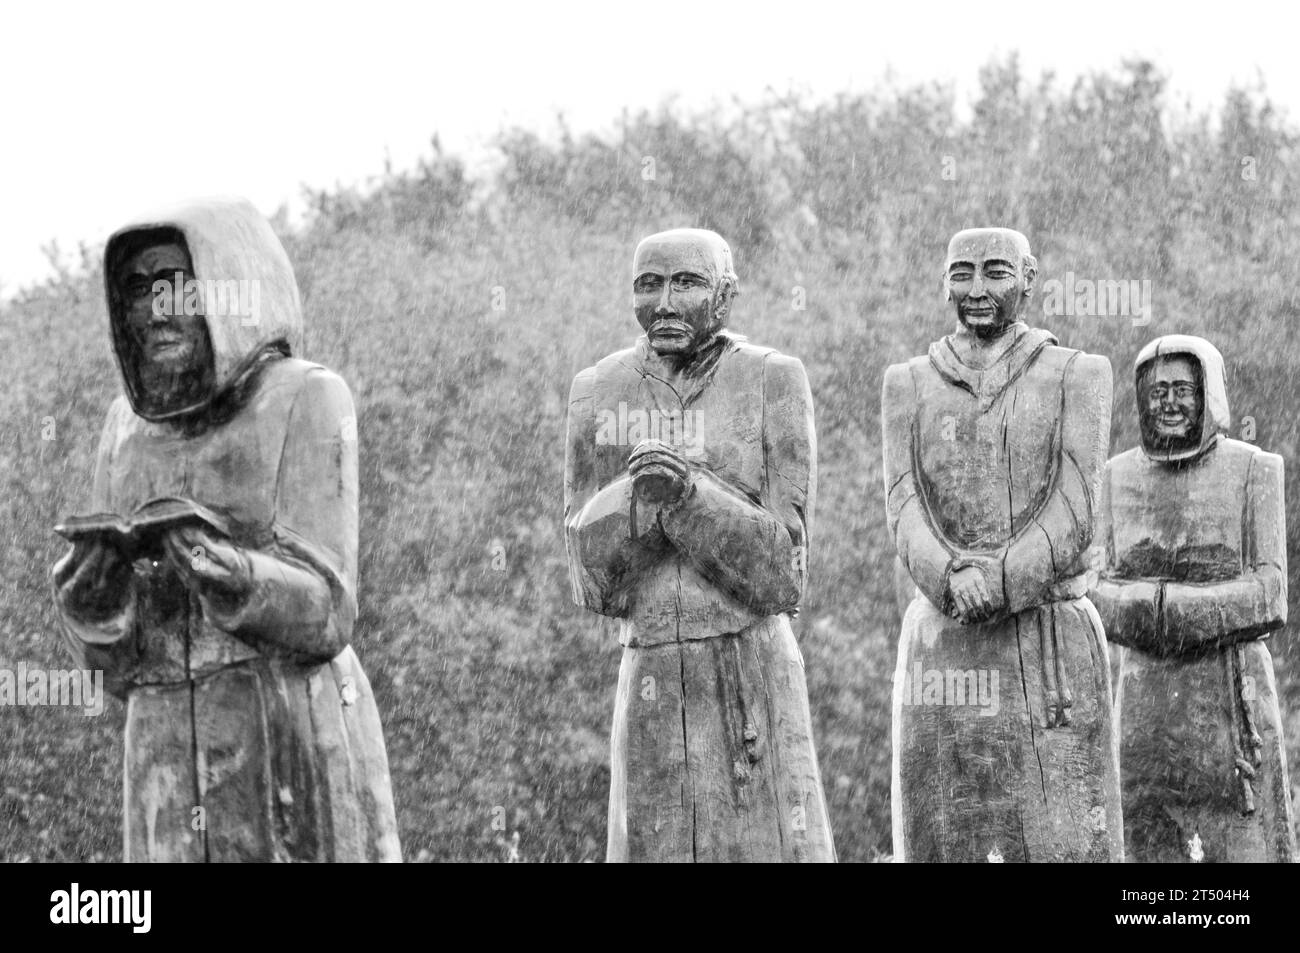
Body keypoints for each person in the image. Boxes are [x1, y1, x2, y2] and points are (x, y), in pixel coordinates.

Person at [51, 197, 401, 862]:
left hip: (284, 721)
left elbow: (330, 610)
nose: (156, 309)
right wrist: (92, 607)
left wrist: (236, 575)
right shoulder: (123, 428)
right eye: (138, 290)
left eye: (175, 284)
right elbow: (115, 671)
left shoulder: (306, 395)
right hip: (162, 738)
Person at [564, 228, 835, 862]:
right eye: (648, 285)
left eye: (685, 283)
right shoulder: (597, 389)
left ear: (726, 294)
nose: (663, 303)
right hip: (653, 671)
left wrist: (689, 498)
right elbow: (588, 579)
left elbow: (784, 573)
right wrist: (641, 499)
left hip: (752, 667)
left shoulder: (772, 379)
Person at [882, 227, 1121, 862]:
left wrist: (1004, 578)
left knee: (1059, 833)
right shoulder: (907, 383)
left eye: (996, 271)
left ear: (1029, 278)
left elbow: (1077, 502)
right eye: (962, 273)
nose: (978, 289)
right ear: (943, 283)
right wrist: (951, 576)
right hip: (943, 641)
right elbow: (902, 503)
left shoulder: (1078, 374)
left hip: (1048, 642)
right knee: (945, 831)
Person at [1090, 335, 1294, 862]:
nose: (1170, 403)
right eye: (1157, 392)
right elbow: (1092, 592)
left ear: (1209, 392)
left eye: (1182, 389)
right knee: (1145, 850)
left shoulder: (1255, 471)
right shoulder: (1114, 478)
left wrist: (1168, 610)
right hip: (1145, 706)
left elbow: (1270, 595)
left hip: (1231, 699)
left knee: (1243, 849)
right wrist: (1155, 609)